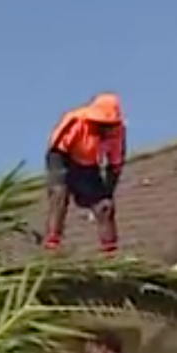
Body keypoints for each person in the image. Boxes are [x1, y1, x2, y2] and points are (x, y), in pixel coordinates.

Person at [43, 96, 128, 254]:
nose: (104, 128)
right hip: (63, 157)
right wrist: (63, 180)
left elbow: (114, 165)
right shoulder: (76, 122)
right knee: (60, 194)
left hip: (88, 165)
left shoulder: (118, 132)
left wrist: (107, 194)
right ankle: (52, 243)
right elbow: (56, 149)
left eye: (108, 125)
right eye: (100, 124)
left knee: (105, 207)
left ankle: (110, 252)